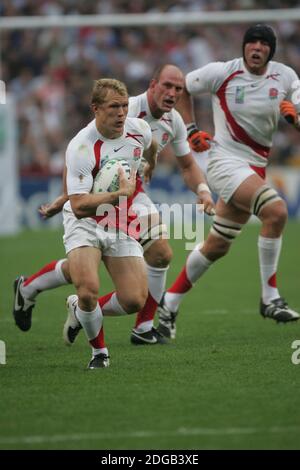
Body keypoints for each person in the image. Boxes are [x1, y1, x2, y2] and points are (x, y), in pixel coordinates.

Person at [13, 65, 215, 346]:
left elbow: (187, 164)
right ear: (153, 84)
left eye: (178, 89)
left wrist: (203, 190)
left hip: (133, 196)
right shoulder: (125, 108)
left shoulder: (174, 121)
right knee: (88, 269)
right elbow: (82, 148)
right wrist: (66, 197)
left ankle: (139, 325)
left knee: (160, 254)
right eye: (167, 86)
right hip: (103, 198)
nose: (172, 93)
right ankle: (35, 289)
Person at [157, 24, 300, 339]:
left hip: (255, 168)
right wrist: (192, 129)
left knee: (217, 245)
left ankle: (169, 301)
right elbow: (181, 87)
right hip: (224, 162)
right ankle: (269, 297)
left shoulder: (286, 77)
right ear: (244, 46)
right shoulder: (223, 72)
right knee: (275, 212)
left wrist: (295, 118)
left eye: (264, 44)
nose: (257, 48)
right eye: (252, 42)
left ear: (271, 50)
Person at [13, 78, 158, 369]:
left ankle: (30, 288)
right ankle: (99, 354)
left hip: (118, 217)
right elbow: (78, 207)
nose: (121, 113)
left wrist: (149, 164)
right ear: (95, 108)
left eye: (125, 106)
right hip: (86, 220)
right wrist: (119, 193)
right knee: (88, 287)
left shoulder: (138, 129)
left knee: (134, 300)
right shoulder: (80, 146)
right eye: (113, 107)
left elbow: (150, 147)